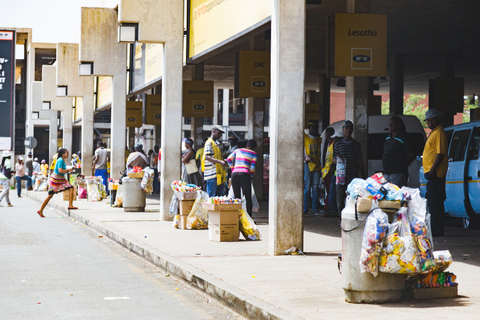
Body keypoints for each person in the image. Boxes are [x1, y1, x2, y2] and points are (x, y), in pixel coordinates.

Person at [328, 120, 365, 218]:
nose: (348, 130)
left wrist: (363, 175)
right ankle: (341, 219)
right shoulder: (338, 144)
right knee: (340, 199)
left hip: (352, 175)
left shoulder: (356, 144)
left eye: (350, 128)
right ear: (343, 130)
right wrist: (338, 160)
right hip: (340, 176)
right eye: (346, 128)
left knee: (352, 199)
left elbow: (359, 160)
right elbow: (333, 159)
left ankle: (350, 218)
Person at [422, 109, 448, 237]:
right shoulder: (433, 133)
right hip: (431, 173)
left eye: (431, 120)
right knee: (433, 201)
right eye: (428, 120)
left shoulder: (439, 133)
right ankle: (436, 228)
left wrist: (432, 170)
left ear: (437, 119)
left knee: (435, 202)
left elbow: (440, 153)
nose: (429, 122)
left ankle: (437, 230)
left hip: (436, 174)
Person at [37, 148, 77, 217]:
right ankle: (40, 210)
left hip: (60, 178)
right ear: (63, 154)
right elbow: (60, 170)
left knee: (71, 188)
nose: (68, 155)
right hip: (56, 179)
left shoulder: (62, 160)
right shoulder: (60, 160)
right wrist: (69, 169)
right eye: (67, 153)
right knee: (50, 195)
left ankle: (70, 205)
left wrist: (68, 169)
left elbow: (62, 169)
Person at [227, 139, 257, 217]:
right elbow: (252, 168)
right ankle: (249, 217)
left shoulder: (237, 150)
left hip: (234, 175)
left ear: (246, 146)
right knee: (248, 197)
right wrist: (251, 176)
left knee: (237, 198)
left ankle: (238, 217)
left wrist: (233, 169)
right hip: (245, 174)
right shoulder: (254, 154)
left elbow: (228, 159)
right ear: (254, 148)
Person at [382, 116, 415, 187]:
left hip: (397, 174)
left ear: (399, 125)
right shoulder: (388, 138)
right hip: (386, 173)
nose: (390, 125)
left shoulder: (403, 138)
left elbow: (411, 155)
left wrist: (402, 164)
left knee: (396, 194)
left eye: (392, 124)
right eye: (389, 124)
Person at [202, 125, 228, 197]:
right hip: (211, 174)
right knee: (211, 197)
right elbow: (207, 157)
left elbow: (216, 156)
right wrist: (220, 162)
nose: (220, 135)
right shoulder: (209, 143)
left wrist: (223, 160)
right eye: (219, 133)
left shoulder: (217, 144)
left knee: (218, 197)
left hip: (218, 174)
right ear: (213, 131)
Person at [304, 121, 322, 215]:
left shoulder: (319, 139)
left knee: (315, 188)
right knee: (307, 187)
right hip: (308, 165)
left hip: (317, 166)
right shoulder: (305, 138)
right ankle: (305, 208)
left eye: (315, 127)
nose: (314, 129)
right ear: (309, 128)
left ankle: (315, 209)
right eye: (312, 127)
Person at [321, 127, 335, 213]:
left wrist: (331, 169)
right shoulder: (327, 143)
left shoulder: (333, 144)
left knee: (330, 191)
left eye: (326, 134)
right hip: (325, 171)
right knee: (328, 190)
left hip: (330, 171)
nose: (325, 135)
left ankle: (328, 208)